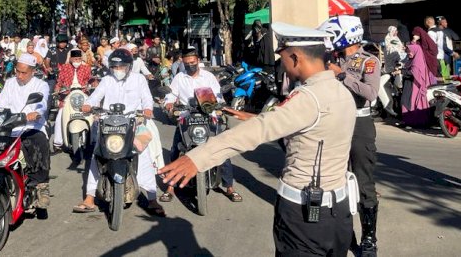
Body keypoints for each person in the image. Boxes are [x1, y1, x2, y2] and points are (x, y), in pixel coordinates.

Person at [161, 22, 357, 256]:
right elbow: (301, 124)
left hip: (304, 215)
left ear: (295, 57)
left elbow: (257, 132)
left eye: (282, 57)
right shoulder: (341, 92)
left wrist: (197, 159)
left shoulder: (308, 98)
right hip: (340, 212)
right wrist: (252, 115)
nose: (281, 64)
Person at [73, 49, 165, 216]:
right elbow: (95, 96)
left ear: (129, 66)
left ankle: (152, 199)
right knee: (97, 156)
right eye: (115, 67)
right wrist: (88, 104)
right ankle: (89, 198)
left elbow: (147, 98)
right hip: (108, 123)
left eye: (121, 66)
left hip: (133, 123)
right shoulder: (107, 80)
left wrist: (147, 109)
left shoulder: (139, 80)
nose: (118, 70)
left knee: (143, 156)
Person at [319, 15, 380, 257]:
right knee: (336, 179)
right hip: (335, 123)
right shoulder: (331, 59)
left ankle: (368, 239)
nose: (329, 41)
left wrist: (342, 75)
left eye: (332, 36)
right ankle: (343, 233)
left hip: (359, 123)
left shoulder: (369, 60)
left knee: (363, 182)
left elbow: (371, 92)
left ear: (347, 36)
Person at [161, 47, 242, 203]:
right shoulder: (179, 77)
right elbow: (171, 94)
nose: (190, 66)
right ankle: (170, 187)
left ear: (197, 60)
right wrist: (169, 104)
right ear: (182, 63)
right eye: (186, 64)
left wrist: (220, 107)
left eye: (192, 62)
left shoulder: (209, 76)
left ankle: (229, 187)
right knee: (175, 151)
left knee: (221, 151)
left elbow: (218, 97)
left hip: (209, 117)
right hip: (186, 118)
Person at [0, 52, 51, 208]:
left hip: (31, 126)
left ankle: (41, 186)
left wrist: (36, 113)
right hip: (10, 127)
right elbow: (0, 104)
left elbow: (42, 103)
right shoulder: (10, 83)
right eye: (17, 71)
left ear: (33, 71)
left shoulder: (41, 85)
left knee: (38, 144)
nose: (19, 75)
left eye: (23, 72)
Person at [52, 49, 97, 151]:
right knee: (60, 115)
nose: (77, 61)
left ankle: (94, 140)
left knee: (93, 114)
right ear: (71, 59)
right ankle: (57, 143)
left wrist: (95, 83)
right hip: (68, 94)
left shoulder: (86, 67)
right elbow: (59, 81)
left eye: (79, 59)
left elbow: (91, 79)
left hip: (83, 93)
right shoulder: (65, 67)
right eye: (75, 59)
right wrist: (57, 90)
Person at [401, 42, 435, 127]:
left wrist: (402, 72)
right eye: (408, 51)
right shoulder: (411, 60)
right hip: (409, 84)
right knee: (405, 101)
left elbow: (414, 73)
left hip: (415, 85)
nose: (408, 53)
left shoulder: (417, 61)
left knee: (409, 102)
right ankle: (407, 121)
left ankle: (413, 122)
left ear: (415, 51)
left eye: (410, 51)